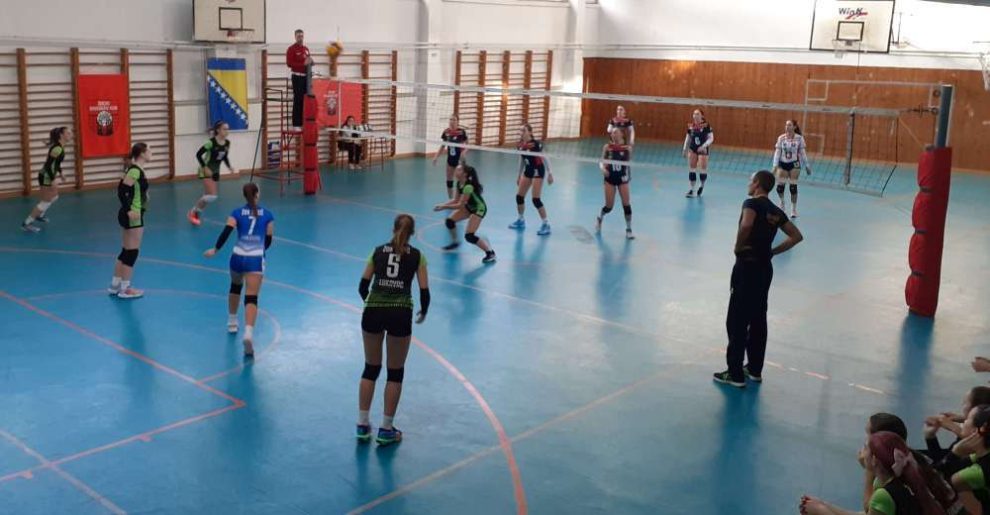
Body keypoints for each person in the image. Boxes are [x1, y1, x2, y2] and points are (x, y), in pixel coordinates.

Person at [713, 170, 803, 388]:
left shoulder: (751, 204)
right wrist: (773, 251)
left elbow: (746, 225)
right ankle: (754, 369)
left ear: (757, 184)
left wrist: (738, 246)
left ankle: (735, 373)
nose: (748, 184)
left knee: (737, 320)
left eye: (751, 181)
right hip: (765, 268)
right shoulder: (776, 211)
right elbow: (796, 236)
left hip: (747, 266)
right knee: (758, 318)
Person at [356, 214, 430, 445]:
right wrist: (423, 311)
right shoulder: (417, 256)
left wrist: (372, 303)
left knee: (371, 368)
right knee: (395, 372)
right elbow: (424, 291)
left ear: (393, 229)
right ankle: (386, 429)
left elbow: (362, 285)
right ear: (413, 233)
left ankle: (362, 424)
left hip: (373, 311)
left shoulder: (377, 251)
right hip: (400, 313)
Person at [800, 431, 948, 515]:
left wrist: (821, 512)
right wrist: (825, 505)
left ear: (874, 460)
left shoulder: (884, 494)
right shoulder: (898, 479)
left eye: (865, 448)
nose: (861, 451)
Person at [203, 183, 274, 357]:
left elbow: (226, 231)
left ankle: (232, 322)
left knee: (235, 286)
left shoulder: (236, 212)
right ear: (257, 194)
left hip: (237, 256)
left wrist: (215, 249)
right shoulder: (268, 215)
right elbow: (268, 239)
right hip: (255, 259)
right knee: (251, 297)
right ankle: (248, 333)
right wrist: (260, 250)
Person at [860, 413, 964, 515]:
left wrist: (869, 472)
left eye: (868, 436)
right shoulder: (913, 461)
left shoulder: (888, 486)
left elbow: (870, 508)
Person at [108, 143, 152, 300]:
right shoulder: (135, 170)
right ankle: (125, 289)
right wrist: (129, 210)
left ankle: (115, 285)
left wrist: (144, 195)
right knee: (132, 252)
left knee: (126, 250)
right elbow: (122, 191)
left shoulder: (136, 170)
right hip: (133, 215)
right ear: (142, 153)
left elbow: (131, 189)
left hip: (133, 213)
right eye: (149, 150)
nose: (151, 153)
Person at [434, 163, 496, 264]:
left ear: (465, 174)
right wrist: (442, 205)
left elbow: (459, 205)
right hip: (469, 207)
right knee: (450, 221)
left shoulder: (468, 186)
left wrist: (444, 207)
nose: (455, 171)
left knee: (469, 236)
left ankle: (490, 253)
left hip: (478, 209)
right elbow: (455, 200)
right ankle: (455, 242)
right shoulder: (459, 183)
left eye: (459, 170)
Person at [22, 127, 72, 232]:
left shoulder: (60, 147)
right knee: (45, 202)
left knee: (54, 197)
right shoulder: (57, 148)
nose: (70, 134)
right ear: (61, 135)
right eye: (68, 133)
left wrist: (61, 173)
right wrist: (52, 179)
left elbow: (56, 163)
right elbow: (48, 165)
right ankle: (27, 223)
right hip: (46, 176)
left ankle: (40, 214)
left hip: (48, 175)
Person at [187, 121, 236, 226]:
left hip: (215, 171)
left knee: (208, 196)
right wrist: (205, 167)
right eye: (224, 129)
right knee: (211, 196)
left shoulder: (227, 143)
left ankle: (196, 212)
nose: (227, 131)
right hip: (206, 170)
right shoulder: (211, 142)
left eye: (228, 129)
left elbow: (224, 156)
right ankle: (193, 212)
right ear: (218, 130)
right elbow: (198, 154)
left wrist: (229, 167)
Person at [508, 123, 553, 236]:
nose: (521, 133)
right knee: (519, 197)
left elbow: (545, 158)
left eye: (523, 130)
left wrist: (550, 173)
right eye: (520, 130)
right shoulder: (520, 145)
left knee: (536, 199)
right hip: (528, 171)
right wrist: (519, 175)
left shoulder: (536, 144)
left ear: (530, 132)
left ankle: (546, 224)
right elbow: (522, 159)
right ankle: (521, 220)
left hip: (538, 171)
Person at [596, 127, 635, 240]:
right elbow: (601, 161)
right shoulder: (607, 147)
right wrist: (603, 169)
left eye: (616, 132)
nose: (613, 135)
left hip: (622, 178)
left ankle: (629, 229)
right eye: (612, 133)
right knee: (609, 206)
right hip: (610, 178)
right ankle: (600, 217)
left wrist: (629, 176)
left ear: (622, 134)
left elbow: (628, 164)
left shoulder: (627, 148)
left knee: (626, 204)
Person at [950, 405, 990, 514]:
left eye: (967, 418)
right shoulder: (981, 455)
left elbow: (937, 481)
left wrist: (954, 453)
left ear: (977, 430)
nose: (963, 421)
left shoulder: (973, 474)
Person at [772, 119, 813, 218]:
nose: (787, 127)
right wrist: (775, 166)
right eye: (786, 125)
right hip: (783, 163)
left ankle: (793, 209)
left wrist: (807, 166)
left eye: (789, 125)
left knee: (793, 187)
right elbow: (777, 153)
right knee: (779, 188)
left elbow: (803, 153)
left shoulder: (799, 138)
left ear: (794, 127)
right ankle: (782, 202)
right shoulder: (781, 138)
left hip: (794, 164)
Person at [433, 115, 469, 199]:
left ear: (457, 121)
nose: (452, 121)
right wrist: (436, 157)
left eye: (454, 119)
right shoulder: (446, 132)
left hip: (459, 160)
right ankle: (451, 199)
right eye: (450, 119)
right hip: (450, 159)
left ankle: (462, 200)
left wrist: (464, 152)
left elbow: (468, 145)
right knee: (449, 180)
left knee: (461, 180)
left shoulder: (461, 132)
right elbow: (443, 146)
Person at [683, 109, 714, 198]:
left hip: (702, 150)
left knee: (702, 170)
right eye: (694, 114)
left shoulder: (706, 126)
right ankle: (692, 190)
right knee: (692, 169)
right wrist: (685, 149)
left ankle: (701, 185)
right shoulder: (691, 126)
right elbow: (688, 138)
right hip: (693, 148)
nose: (695, 115)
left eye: (697, 114)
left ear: (702, 116)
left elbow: (711, 138)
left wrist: (704, 146)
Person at [286, 29, 312, 129]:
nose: (300, 38)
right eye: (298, 36)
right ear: (295, 37)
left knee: (305, 100)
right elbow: (289, 63)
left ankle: (303, 122)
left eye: (302, 36)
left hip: (306, 77)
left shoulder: (306, 49)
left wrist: (311, 62)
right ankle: (296, 124)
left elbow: (308, 60)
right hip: (297, 77)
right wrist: (302, 64)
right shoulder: (291, 49)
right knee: (298, 99)